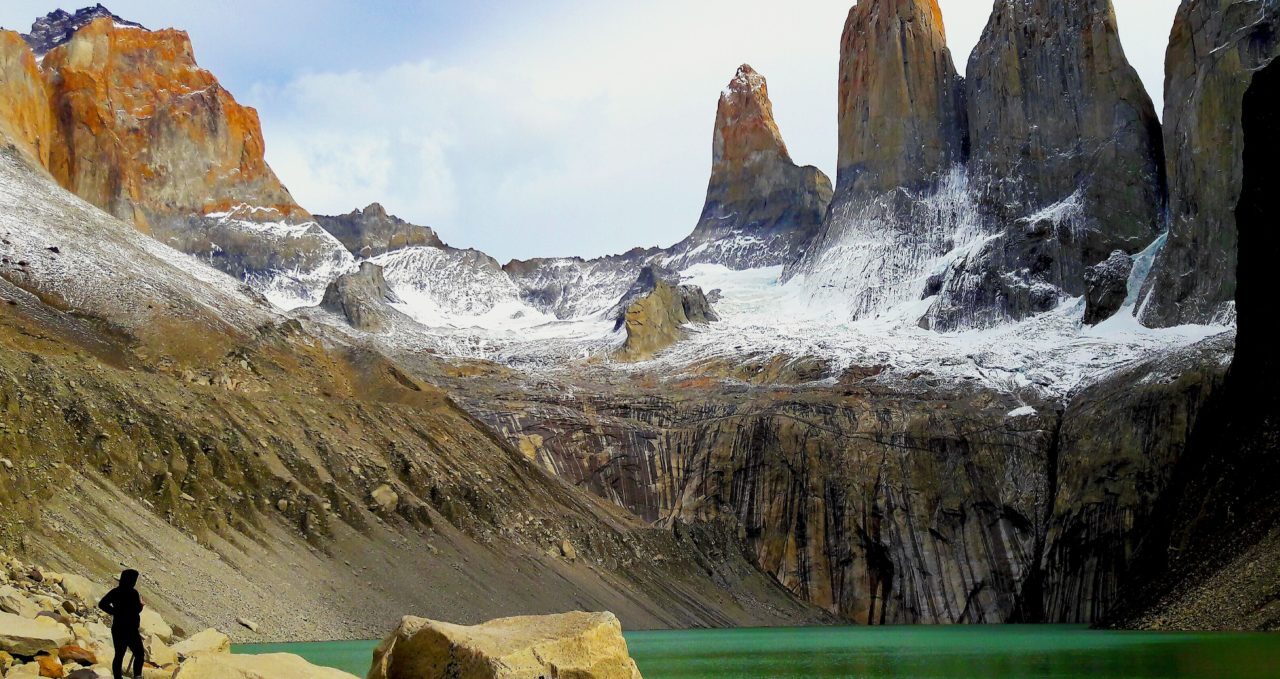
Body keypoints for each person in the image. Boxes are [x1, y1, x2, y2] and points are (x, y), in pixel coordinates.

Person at [98, 568, 145, 679]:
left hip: (118, 628)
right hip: (131, 629)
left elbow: (102, 604)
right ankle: (137, 676)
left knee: (119, 655)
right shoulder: (133, 593)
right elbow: (136, 610)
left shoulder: (115, 592)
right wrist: (141, 605)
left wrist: (115, 612)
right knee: (139, 654)